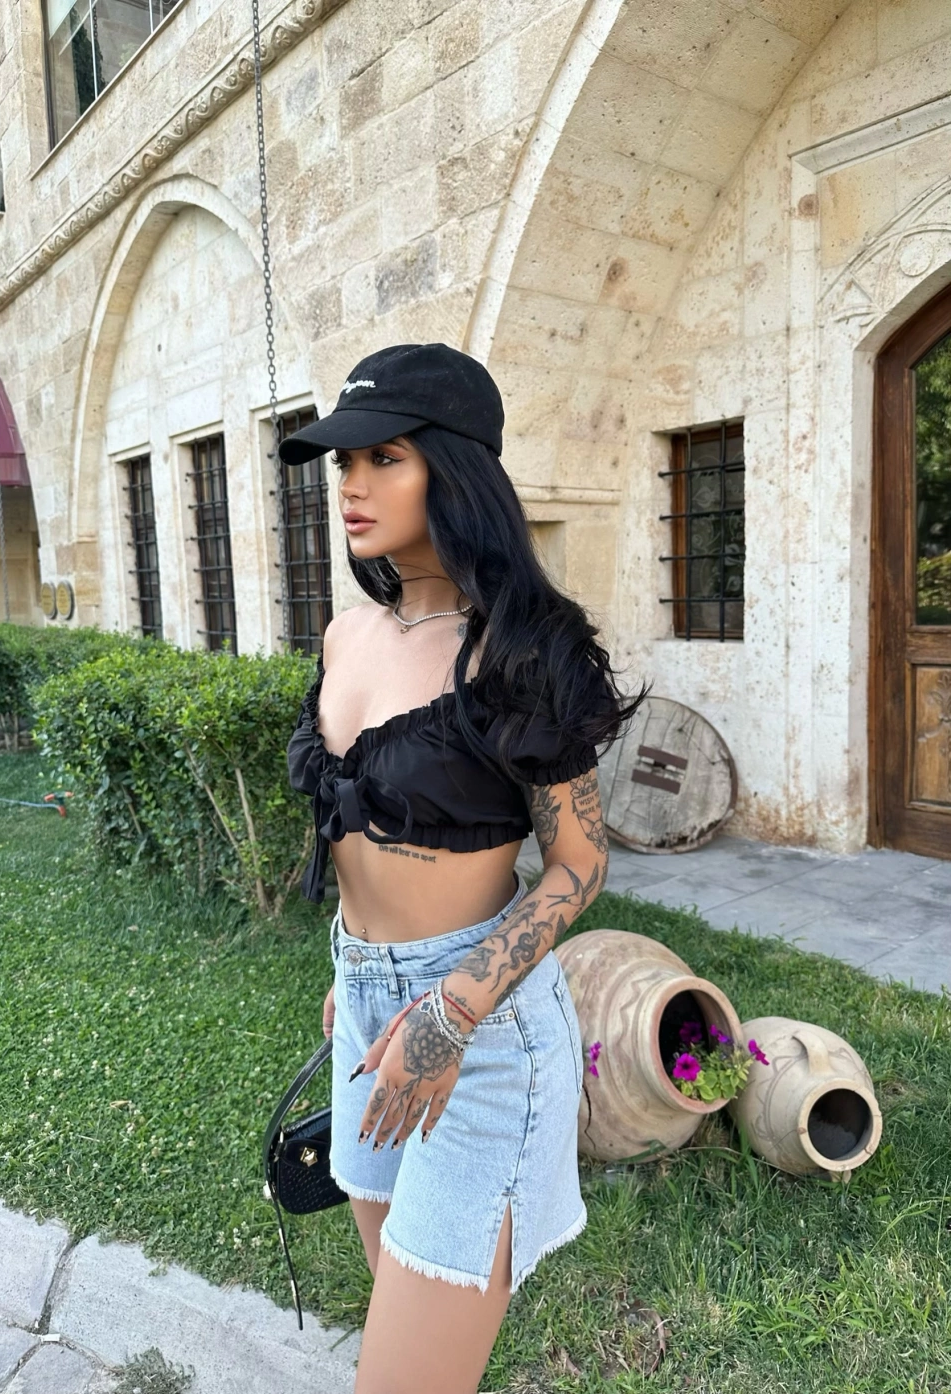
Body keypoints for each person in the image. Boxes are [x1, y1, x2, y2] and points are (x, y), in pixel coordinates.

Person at [280, 343, 648, 1394]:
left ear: (453, 470)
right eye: (343, 461)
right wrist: (355, 972)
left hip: (478, 1029)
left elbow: (578, 863)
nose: (350, 485)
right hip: (365, 1012)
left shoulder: (519, 649)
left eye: (383, 456)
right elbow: (350, 830)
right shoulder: (346, 634)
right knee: (410, 1335)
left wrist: (448, 1010)